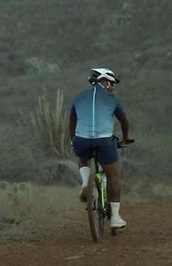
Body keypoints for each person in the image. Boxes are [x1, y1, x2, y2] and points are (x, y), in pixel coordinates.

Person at [69, 67, 133, 229]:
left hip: (81, 140)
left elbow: (72, 120)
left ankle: (85, 183)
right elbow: (124, 121)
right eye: (111, 83)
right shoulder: (112, 98)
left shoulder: (79, 97)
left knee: (83, 158)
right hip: (104, 141)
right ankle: (116, 218)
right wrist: (126, 138)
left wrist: (73, 140)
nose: (113, 87)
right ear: (104, 82)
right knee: (113, 176)